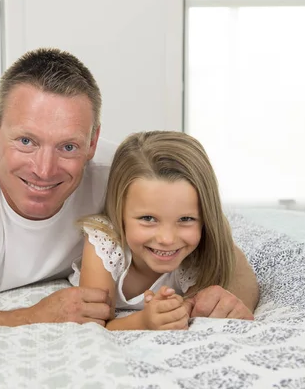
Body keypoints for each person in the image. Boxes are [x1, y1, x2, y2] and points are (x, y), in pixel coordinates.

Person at [0, 48, 259, 331]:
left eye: (68, 146)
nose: (44, 169)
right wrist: (30, 315)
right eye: (26, 141)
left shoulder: (116, 174)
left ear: (92, 141)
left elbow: (226, 251)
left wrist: (219, 296)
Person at [69, 131, 254, 330]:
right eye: (148, 219)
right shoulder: (105, 244)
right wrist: (143, 322)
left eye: (186, 219)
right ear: (119, 211)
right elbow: (94, 325)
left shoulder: (199, 253)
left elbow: (243, 280)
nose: (167, 239)